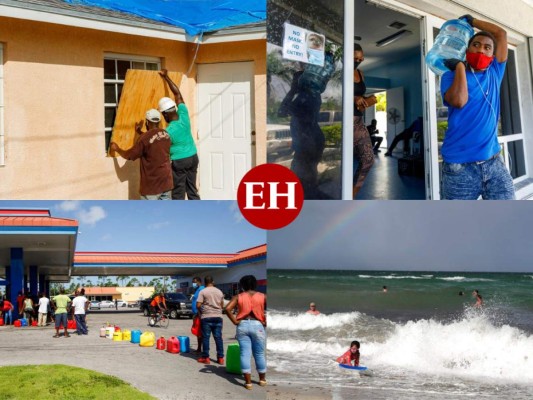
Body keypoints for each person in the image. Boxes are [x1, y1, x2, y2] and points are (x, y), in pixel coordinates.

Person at [440, 15, 514, 200]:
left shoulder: (495, 72)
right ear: (467, 50)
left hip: (493, 162)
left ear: (492, 56)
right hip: (459, 167)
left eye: (487, 47)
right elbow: (459, 101)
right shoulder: (449, 77)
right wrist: (458, 67)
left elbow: (501, 33)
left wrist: (472, 21)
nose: (481, 49)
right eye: (476, 45)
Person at [278, 52, 336, 199]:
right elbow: (285, 110)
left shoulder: (313, 94)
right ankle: (303, 195)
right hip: (305, 136)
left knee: (308, 168)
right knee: (303, 167)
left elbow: (286, 110)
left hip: (310, 135)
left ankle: (309, 192)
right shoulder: (305, 88)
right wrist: (290, 97)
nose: (325, 74)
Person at [109, 109, 173, 200]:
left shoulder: (144, 139)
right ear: (159, 121)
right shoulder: (166, 135)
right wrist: (139, 132)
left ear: (147, 122)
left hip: (152, 188)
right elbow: (153, 140)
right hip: (166, 184)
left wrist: (117, 148)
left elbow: (129, 155)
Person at [158, 69, 200, 200]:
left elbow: (154, 140)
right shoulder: (184, 114)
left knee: (178, 194)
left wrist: (140, 133)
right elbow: (178, 94)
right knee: (192, 190)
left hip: (180, 162)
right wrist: (166, 77)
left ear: (164, 114)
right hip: (193, 157)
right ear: (174, 108)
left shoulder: (169, 131)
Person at [225, 275, 267, 390]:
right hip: (258, 325)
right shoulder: (263, 296)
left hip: (242, 325)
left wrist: (234, 321)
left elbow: (227, 308)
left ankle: (248, 383)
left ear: (243, 285)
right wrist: (266, 322)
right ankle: (262, 380)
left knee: (245, 354)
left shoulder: (238, 296)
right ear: (255, 284)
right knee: (259, 353)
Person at [353, 43, 376, 199]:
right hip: (344, 122)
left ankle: (351, 195)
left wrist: (367, 101)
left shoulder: (360, 73)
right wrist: (354, 98)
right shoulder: (340, 73)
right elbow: (333, 95)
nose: (358, 61)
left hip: (358, 121)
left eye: (361, 58)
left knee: (368, 160)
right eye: (355, 58)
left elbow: (360, 101)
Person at [196, 276, 225, 365]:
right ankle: (220, 358)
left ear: (205, 282)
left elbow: (198, 305)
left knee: (206, 337)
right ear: (213, 281)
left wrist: (202, 312)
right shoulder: (219, 291)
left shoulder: (203, 291)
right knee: (218, 337)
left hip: (206, 317)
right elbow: (222, 305)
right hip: (218, 317)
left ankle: (206, 357)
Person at [191, 276, 205, 353]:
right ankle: (199, 348)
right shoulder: (197, 290)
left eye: (194, 282)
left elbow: (202, 302)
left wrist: (199, 313)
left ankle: (201, 349)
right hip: (196, 314)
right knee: (198, 332)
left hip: (199, 314)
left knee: (200, 332)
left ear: (199, 282)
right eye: (193, 282)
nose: (193, 284)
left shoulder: (202, 289)